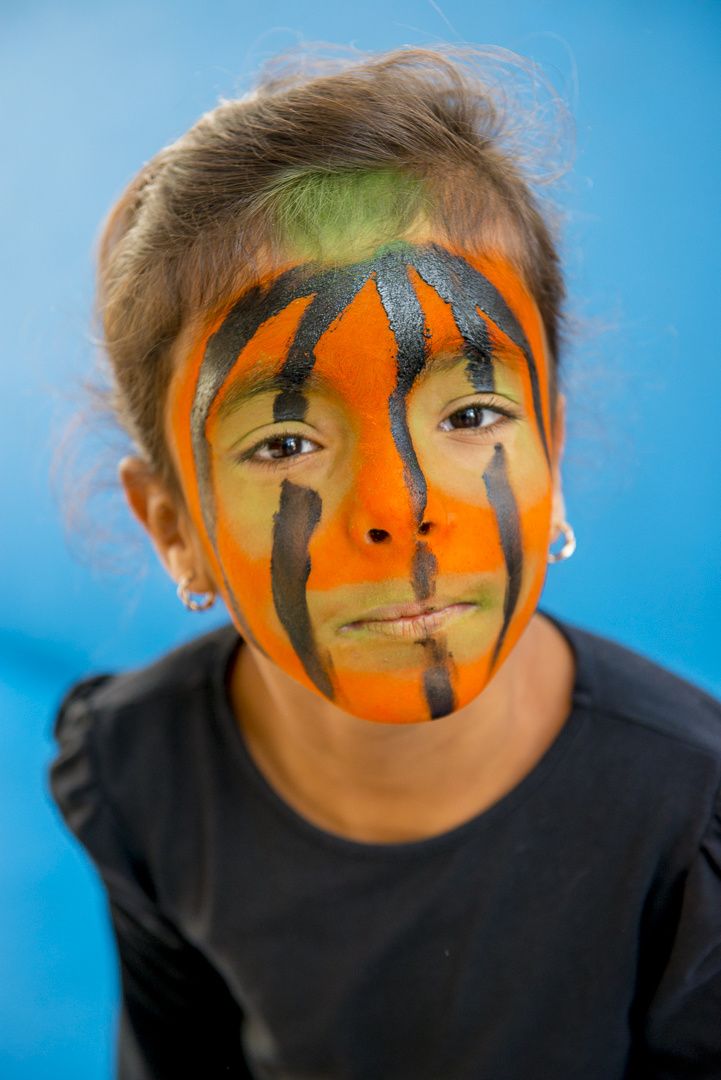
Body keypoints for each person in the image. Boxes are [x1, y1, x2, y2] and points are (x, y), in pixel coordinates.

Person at [48, 46, 721, 1079]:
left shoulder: (688, 810)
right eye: (284, 442)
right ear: (172, 524)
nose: (400, 511)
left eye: (471, 415)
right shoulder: (138, 767)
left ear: (550, 451)